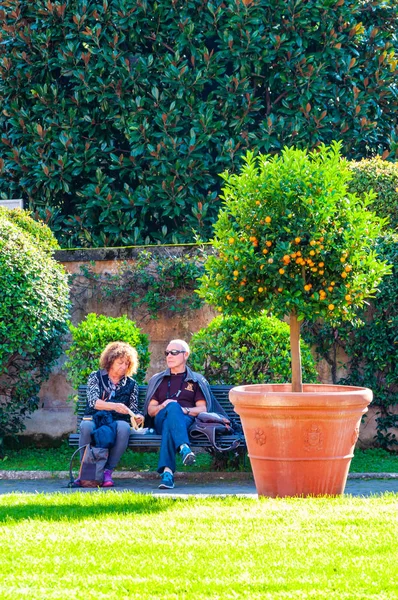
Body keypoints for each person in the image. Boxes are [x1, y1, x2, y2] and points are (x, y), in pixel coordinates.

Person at [143, 339, 227, 490]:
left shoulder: (195, 381)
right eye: (167, 353)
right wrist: (164, 405)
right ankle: (183, 447)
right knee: (172, 408)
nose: (169, 356)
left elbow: (202, 408)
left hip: (185, 420)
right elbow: (151, 410)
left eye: (174, 352)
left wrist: (185, 411)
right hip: (160, 420)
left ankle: (168, 474)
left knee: (173, 419)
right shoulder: (159, 380)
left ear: (186, 355)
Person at [76, 341, 143, 488]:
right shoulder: (96, 377)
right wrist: (115, 406)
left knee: (124, 428)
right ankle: (85, 472)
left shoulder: (131, 384)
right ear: (110, 361)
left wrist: (138, 416)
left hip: (116, 421)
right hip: (95, 416)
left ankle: (107, 471)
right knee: (86, 426)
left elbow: (133, 408)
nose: (124, 366)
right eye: (120, 363)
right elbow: (94, 402)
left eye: (127, 363)